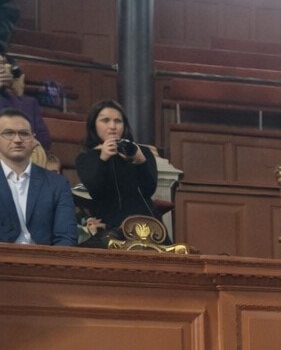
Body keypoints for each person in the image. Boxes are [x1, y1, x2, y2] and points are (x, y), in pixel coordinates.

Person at [76, 99, 161, 236]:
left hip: (144, 223)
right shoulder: (87, 157)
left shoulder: (140, 152)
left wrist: (141, 162)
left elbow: (148, 190)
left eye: (118, 121)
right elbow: (96, 190)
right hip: (108, 225)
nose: (113, 126)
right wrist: (103, 158)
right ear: (93, 126)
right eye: (105, 120)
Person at [0, 107, 73, 245]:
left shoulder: (57, 184)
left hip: (44, 263)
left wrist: (50, 266)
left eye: (24, 134)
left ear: (33, 139)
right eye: (8, 133)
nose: (17, 140)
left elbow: (66, 238)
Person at [0, 48, 51, 156]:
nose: (1, 69)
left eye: (3, 64)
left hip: (24, 160)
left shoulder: (29, 103)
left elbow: (44, 141)